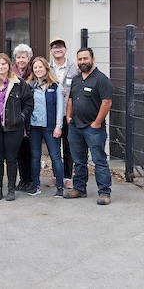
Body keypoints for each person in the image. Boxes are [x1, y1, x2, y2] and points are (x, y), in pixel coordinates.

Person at [0, 53, 33, 201]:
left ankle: (10, 189)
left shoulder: (19, 84)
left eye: (4, 64)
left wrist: (21, 117)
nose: (1, 67)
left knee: (11, 159)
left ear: (9, 65)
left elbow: (29, 103)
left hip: (13, 127)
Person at [64, 48, 113, 205]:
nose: (82, 62)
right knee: (78, 160)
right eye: (80, 59)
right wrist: (68, 117)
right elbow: (71, 99)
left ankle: (104, 192)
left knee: (99, 160)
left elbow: (107, 102)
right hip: (75, 126)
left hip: (93, 128)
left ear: (93, 59)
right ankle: (79, 189)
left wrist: (97, 122)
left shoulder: (101, 79)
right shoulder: (77, 79)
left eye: (85, 58)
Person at [27, 57, 65, 198]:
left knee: (55, 157)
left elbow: (60, 108)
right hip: (34, 127)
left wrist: (58, 126)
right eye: (35, 67)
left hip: (50, 127)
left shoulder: (56, 86)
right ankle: (35, 185)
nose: (38, 70)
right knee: (35, 156)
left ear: (46, 68)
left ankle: (60, 187)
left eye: (40, 67)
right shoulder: (30, 86)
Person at [49, 37, 78, 189]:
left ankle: (68, 176)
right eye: (54, 47)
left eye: (60, 46)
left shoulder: (74, 67)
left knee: (68, 145)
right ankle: (56, 175)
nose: (57, 49)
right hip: (53, 113)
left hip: (69, 112)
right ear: (51, 51)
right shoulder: (48, 67)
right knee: (54, 147)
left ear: (65, 50)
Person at [12, 43, 34, 192]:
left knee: (31, 151)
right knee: (19, 151)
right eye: (18, 57)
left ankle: (30, 180)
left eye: (24, 57)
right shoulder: (11, 73)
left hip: (31, 117)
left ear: (29, 58)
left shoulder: (35, 71)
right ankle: (22, 180)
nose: (21, 60)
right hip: (16, 118)